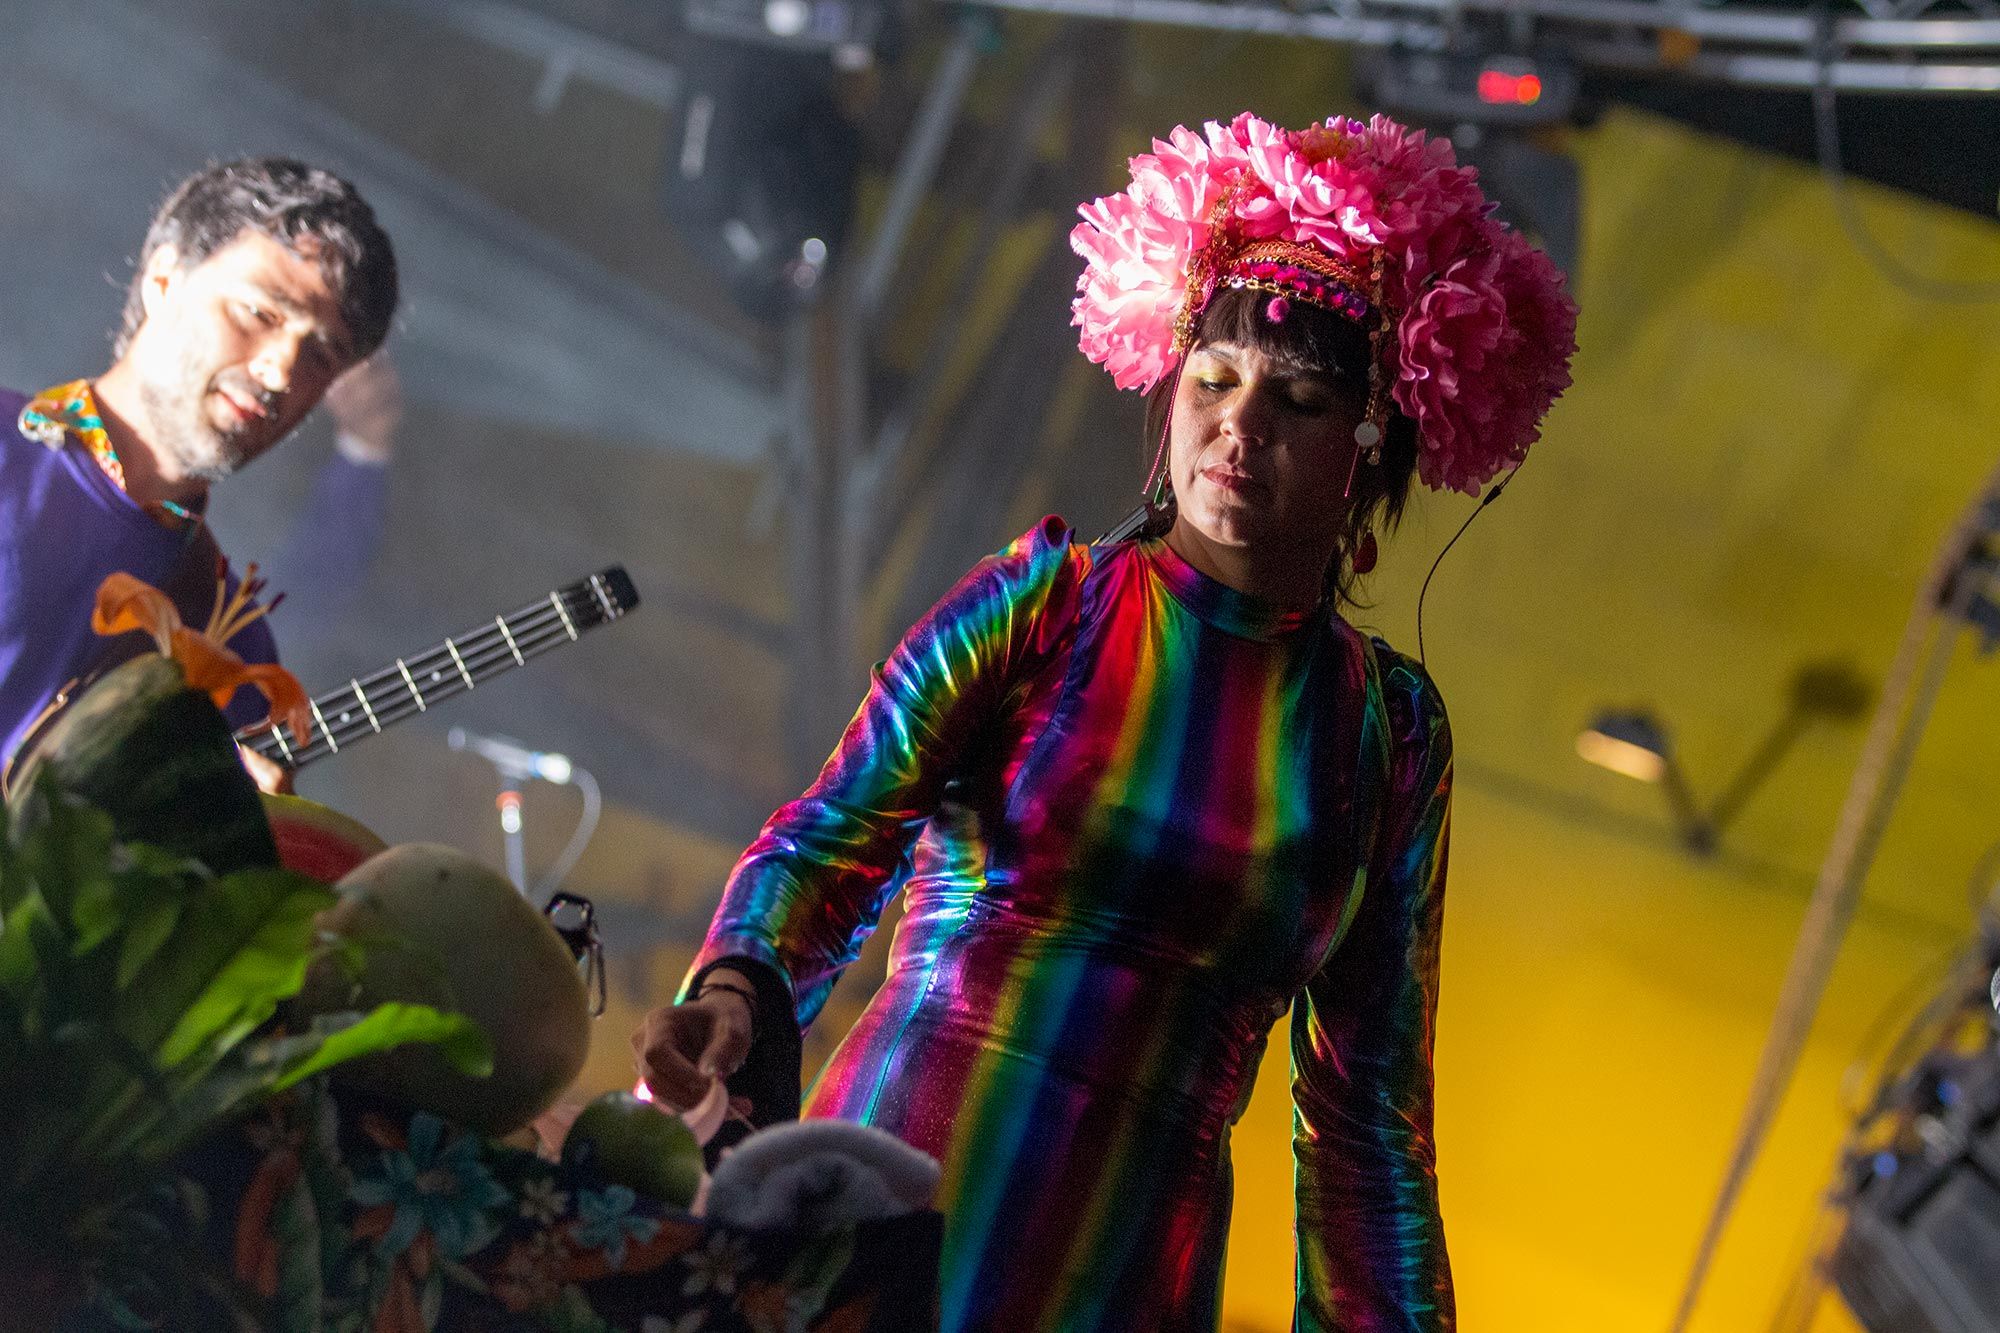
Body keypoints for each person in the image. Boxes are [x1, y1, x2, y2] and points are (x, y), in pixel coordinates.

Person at [633, 112, 1577, 1331]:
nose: (1240, 425)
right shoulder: (1046, 602)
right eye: (1214, 381)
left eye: (1295, 398)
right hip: (877, 1213)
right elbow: (829, 840)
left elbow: (1363, 1116)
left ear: (1369, 445)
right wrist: (739, 990)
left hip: (1130, 1267)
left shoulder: (1389, 736)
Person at [0, 157, 399, 777]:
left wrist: (235, 829)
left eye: (319, 356)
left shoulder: (231, 643)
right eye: (260, 314)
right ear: (163, 281)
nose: (279, 372)